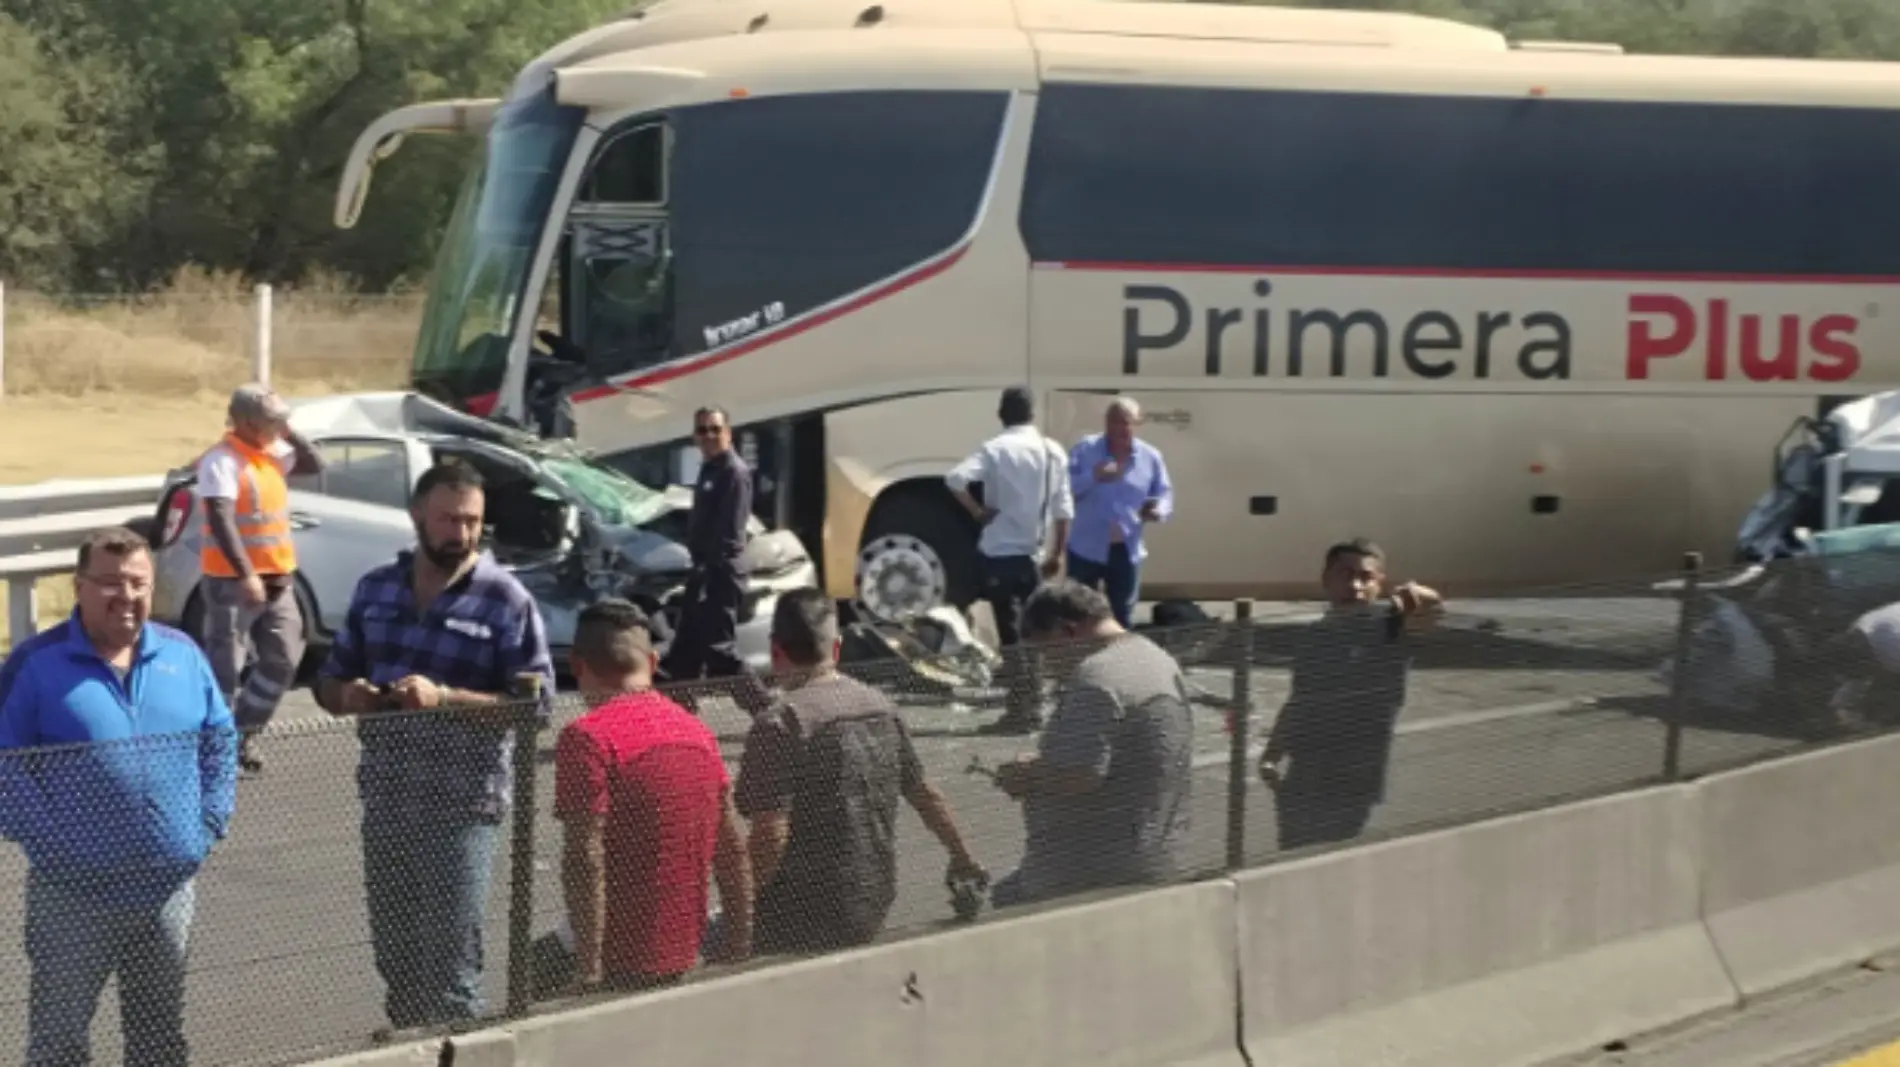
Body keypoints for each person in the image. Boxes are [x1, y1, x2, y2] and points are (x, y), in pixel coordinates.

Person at [314, 459, 555, 1031]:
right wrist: (352, 696)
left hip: (463, 810)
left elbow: (535, 708)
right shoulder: (376, 590)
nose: (462, 533)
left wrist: (444, 699)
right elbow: (328, 680)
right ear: (418, 514)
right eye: (449, 519)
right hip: (389, 802)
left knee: (451, 971)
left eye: (472, 521)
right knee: (396, 961)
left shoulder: (505, 599)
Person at [0, 527, 238, 1067]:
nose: (125, 597)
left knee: (159, 1042)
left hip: (166, 892)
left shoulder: (183, 654)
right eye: (109, 583)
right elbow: (4, 763)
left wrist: (210, 820)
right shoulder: (36, 664)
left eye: (138, 583)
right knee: (58, 1045)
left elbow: (220, 738)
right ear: (78, 587)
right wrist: (53, 845)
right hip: (73, 898)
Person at [732, 588, 986, 953]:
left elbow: (771, 834)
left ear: (775, 651)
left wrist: (740, 911)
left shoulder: (781, 724)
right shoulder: (881, 706)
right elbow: (925, 794)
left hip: (795, 912)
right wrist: (964, 859)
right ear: (836, 649)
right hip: (873, 897)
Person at [555, 598, 753, 993]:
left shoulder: (585, 738)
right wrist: (739, 942)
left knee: (524, 978)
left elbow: (585, 857)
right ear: (651, 660)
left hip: (618, 956)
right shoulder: (696, 731)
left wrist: (590, 970)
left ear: (577, 665)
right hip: (686, 947)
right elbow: (731, 848)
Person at [989, 579, 1193, 908]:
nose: (1048, 669)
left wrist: (1026, 774)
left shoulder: (1097, 680)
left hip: (1086, 872)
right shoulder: (1156, 658)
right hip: (1150, 852)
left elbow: (1080, 774)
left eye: (1045, 653)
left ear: (1067, 632)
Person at [1259, 538, 1442, 851]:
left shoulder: (1391, 629)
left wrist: (1417, 594)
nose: (1356, 585)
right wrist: (1272, 754)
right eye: (1345, 574)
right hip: (1303, 776)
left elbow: (1432, 609)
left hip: (1353, 780)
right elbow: (1300, 699)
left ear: (1379, 583)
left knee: (1331, 865)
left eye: (1366, 577)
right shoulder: (1314, 637)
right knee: (1291, 863)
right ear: (1326, 579)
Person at [196, 383, 324, 774]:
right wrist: (245, 574)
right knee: (225, 671)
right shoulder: (222, 461)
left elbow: (315, 463)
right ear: (247, 422)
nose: (278, 426)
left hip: (278, 580)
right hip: (232, 583)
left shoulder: (271, 455)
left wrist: (288, 430)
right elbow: (220, 518)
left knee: (284, 658)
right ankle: (214, 750)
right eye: (271, 420)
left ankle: (242, 733)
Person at [945, 386, 1075, 734]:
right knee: (1033, 634)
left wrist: (977, 511)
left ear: (1002, 414)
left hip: (999, 555)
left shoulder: (995, 449)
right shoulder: (1052, 452)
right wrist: (1057, 553)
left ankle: (1020, 713)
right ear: (1033, 414)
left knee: (1011, 637)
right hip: (1034, 559)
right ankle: (1035, 707)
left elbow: (955, 479)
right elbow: (1064, 510)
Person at [661, 405, 761, 708]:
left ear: (728, 434)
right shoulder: (709, 469)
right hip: (702, 570)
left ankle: (766, 709)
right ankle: (679, 722)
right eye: (702, 430)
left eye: (715, 429)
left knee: (720, 651)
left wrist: (708, 573)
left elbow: (729, 532)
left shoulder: (733, 472)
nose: (709, 436)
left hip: (719, 571)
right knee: (684, 651)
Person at [1066, 396, 1174, 629]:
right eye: (1115, 421)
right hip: (1085, 548)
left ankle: (1119, 661)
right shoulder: (1085, 450)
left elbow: (1164, 494)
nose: (1121, 428)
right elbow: (1063, 491)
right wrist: (1093, 476)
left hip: (1126, 549)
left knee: (1122, 615)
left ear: (1138, 424)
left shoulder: (1150, 457)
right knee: (1079, 615)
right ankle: (1078, 661)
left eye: (1127, 422)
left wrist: (1157, 511)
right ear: (1106, 423)